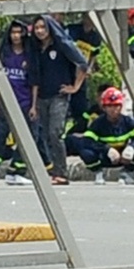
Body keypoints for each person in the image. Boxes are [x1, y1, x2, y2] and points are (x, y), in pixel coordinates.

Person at [30, 14, 87, 185]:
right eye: (37, 28)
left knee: (56, 132)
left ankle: (61, 172)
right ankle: (55, 170)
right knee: (47, 134)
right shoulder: (36, 49)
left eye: (43, 27)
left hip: (59, 96)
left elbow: (82, 63)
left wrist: (75, 87)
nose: (40, 31)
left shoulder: (62, 45)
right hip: (42, 96)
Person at [0, 19, 36, 186]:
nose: (16, 36)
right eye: (13, 32)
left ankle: (17, 171)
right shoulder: (4, 54)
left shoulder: (30, 55)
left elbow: (35, 82)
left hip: (25, 102)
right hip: (5, 103)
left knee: (27, 137)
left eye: (19, 32)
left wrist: (34, 105)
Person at [78, 87, 134, 185]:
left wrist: (131, 148)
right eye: (109, 106)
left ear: (121, 107)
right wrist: (106, 149)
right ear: (104, 107)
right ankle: (98, 173)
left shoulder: (128, 122)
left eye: (116, 105)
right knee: (86, 152)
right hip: (106, 157)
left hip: (124, 156)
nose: (113, 109)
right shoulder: (98, 123)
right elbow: (87, 141)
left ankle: (128, 173)